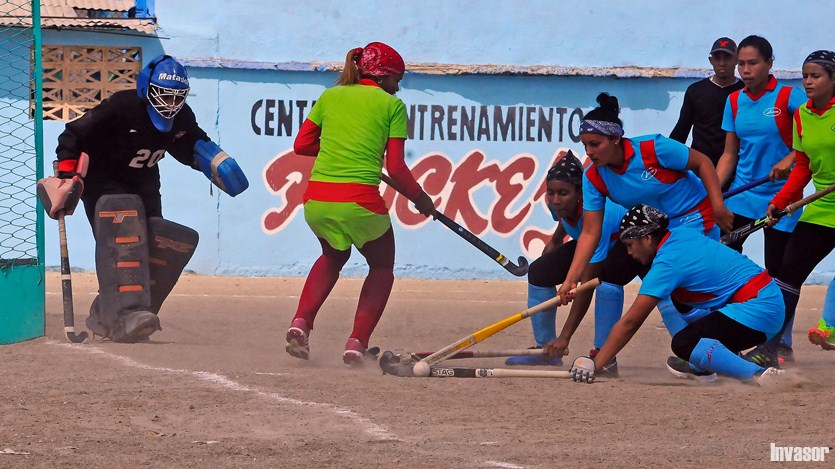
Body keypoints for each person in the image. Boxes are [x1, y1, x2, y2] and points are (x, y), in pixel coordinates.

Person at [44, 55, 248, 343]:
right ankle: (123, 312)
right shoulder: (122, 106)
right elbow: (74, 132)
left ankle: (119, 312)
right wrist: (66, 171)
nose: (170, 103)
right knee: (123, 238)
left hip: (145, 182)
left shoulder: (182, 116)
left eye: (177, 97)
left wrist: (210, 160)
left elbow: (188, 142)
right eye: (163, 94)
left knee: (157, 241)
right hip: (104, 181)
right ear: (146, 88)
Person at [285, 42, 435, 366]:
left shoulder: (330, 95)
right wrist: (421, 199)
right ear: (382, 77)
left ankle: (300, 322)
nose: (398, 87)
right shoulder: (392, 106)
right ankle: (356, 342)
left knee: (332, 255)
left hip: (317, 201)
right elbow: (396, 168)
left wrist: (338, 151)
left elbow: (302, 144)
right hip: (360, 202)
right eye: (397, 79)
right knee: (381, 266)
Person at [557, 93, 733, 335]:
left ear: (616, 138)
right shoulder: (593, 177)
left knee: (682, 286)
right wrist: (571, 279)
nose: (589, 152)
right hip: (654, 229)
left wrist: (718, 206)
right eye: (585, 145)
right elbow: (589, 233)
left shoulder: (654, 148)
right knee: (610, 277)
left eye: (595, 144)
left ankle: (714, 345)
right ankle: (602, 356)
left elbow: (702, 163)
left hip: (695, 217)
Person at [563, 204, 785, 385]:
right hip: (767, 303)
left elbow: (631, 321)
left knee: (683, 343)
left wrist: (596, 362)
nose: (629, 253)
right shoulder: (681, 235)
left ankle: (758, 375)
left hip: (758, 310)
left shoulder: (666, 265)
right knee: (679, 298)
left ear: (647, 239)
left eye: (629, 245)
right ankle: (701, 367)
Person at [505, 151, 643, 374]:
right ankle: (546, 350)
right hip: (589, 242)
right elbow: (564, 218)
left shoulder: (600, 214)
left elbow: (586, 285)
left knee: (607, 280)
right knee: (540, 272)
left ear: (580, 193)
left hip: (623, 241)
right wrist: (556, 240)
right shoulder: (555, 204)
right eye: (551, 193)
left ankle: (605, 356)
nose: (556, 200)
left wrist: (565, 337)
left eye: (563, 193)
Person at [715, 35, 806, 363]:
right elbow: (729, 155)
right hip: (742, 197)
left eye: (753, 63)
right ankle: (727, 336)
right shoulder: (735, 102)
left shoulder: (789, 97)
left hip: (784, 198)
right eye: (742, 63)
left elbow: (812, 140)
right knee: (721, 260)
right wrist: (714, 193)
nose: (745, 69)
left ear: (769, 63)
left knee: (780, 273)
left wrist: (792, 159)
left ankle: (780, 345)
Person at [756, 50, 835, 356]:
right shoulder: (801, 115)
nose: (808, 81)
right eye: (805, 76)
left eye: (816, 76)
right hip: (822, 209)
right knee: (787, 276)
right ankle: (769, 346)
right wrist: (780, 201)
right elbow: (802, 167)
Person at [670, 37, 743, 167]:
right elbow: (682, 129)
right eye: (717, 58)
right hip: (700, 166)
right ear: (711, 60)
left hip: (736, 166)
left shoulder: (744, 92)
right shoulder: (695, 91)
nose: (722, 63)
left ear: (736, 60)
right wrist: (666, 156)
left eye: (727, 57)